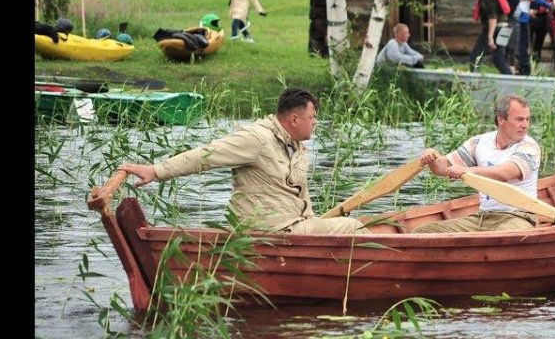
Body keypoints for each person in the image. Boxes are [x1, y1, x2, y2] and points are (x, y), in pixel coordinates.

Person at [117, 87, 368, 235]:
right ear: (294, 119)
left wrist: (314, 222)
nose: (315, 122)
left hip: (295, 226)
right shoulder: (256, 138)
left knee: (346, 227)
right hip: (270, 230)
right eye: (312, 117)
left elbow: (301, 197)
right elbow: (206, 155)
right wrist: (156, 170)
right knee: (353, 227)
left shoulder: (297, 148)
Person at [412, 95, 541, 233]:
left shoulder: (529, 147)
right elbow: (443, 168)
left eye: (527, 119)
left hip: (519, 217)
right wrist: (432, 158)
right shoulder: (478, 142)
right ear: (501, 119)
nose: (525, 125)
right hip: (483, 217)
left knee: (500, 237)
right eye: (519, 119)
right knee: (422, 232)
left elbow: (504, 173)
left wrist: (466, 171)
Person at [468, 0, 513, 74]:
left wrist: (490, 37)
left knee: (475, 57)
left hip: (495, 30)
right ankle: (512, 83)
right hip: (505, 28)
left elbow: (493, 17)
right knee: (498, 59)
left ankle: (474, 84)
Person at [529, 0, 555, 67]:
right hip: (531, 17)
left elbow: (553, 3)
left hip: (544, 18)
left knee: (538, 45)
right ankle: (525, 67)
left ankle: (535, 68)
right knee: (528, 43)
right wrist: (528, 10)